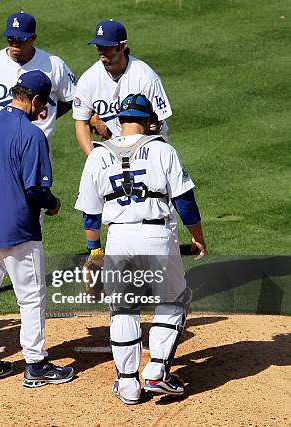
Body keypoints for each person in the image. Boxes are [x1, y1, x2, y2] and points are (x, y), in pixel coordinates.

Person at [74, 93, 206, 404]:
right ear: (148, 121)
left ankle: (128, 385)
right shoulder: (163, 150)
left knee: (123, 307)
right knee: (173, 300)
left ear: (119, 121)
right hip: (157, 236)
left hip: (118, 237)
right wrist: (198, 236)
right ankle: (157, 371)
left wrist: (94, 252)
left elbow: (90, 214)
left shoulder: (97, 154)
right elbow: (185, 202)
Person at [0, 70, 75, 388]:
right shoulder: (32, 134)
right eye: (45, 104)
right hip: (16, 229)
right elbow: (36, 189)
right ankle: (36, 365)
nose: (45, 110)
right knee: (31, 295)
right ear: (36, 99)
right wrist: (52, 204)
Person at [0, 11, 77, 302]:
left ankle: (16, 269)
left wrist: (46, 122)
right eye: (10, 38)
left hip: (35, 146)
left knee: (30, 213)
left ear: (33, 38)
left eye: (21, 40)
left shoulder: (53, 64)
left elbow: (73, 98)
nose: (15, 44)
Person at [73, 19, 172, 156]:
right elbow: (81, 123)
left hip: (152, 144)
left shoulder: (145, 78)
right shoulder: (88, 80)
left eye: (106, 47)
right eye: (98, 46)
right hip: (116, 148)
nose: (101, 52)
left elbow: (157, 124)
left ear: (122, 46)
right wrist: (93, 159)